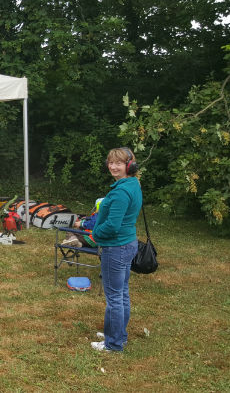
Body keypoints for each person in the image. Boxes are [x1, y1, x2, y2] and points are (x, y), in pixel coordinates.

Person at [90, 147, 142, 352]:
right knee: (122, 293)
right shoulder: (132, 184)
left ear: (129, 166)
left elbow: (112, 225)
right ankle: (117, 333)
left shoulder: (121, 192)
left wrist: (96, 234)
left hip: (116, 247)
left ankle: (113, 344)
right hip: (127, 244)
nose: (113, 166)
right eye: (111, 162)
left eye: (118, 163)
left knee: (114, 297)